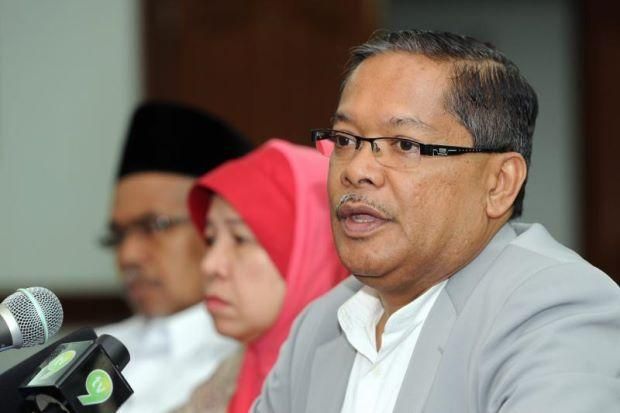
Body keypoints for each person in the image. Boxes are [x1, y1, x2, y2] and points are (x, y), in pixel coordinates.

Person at [252, 30, 620, 413]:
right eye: (345, 140)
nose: (357, 170)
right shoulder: (322, 324)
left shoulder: (555, 309)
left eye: (405, 145)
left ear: (499, 182)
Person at [98, 101, 253, 413]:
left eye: (154, 226)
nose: (127, 255)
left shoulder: (247, 361)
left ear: (217, 228)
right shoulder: (90, 351)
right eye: (119, 235)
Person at [177, 139, 348, 413]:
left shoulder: (357, 390)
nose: (209, 265)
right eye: (210, 239)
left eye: (240, 239)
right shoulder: (222, 386)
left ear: (311, 252)